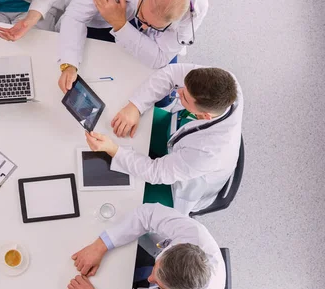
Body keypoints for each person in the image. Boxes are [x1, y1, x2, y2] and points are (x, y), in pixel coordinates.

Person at [85, 64, 243, 215]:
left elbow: (155, 173)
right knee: (119, 120)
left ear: (206, 116)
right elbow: (171, 73)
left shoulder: (209, 152)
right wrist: (135, 106)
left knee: (121, 203)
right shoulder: (226, 82)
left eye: (184, 97)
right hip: (180, 136)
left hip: (179, 186)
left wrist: (113, 150)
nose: (179, 91)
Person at [57, 0, 208, 94]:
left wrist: (120, 24)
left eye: (155, 25)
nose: (144, 27)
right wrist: (69, 64)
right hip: (105, 18)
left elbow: (160, 58)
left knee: (162, 96)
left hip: (135, 29)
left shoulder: (196, 7)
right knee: (90, 62)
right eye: (143, 18)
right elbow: (75, 15)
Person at [67, 203, 225, 289]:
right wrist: (100, 246)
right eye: (156, 268)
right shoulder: (195, 235)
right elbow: (148, 213)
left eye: (159, 285)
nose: (149, 278)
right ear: (179, 246)